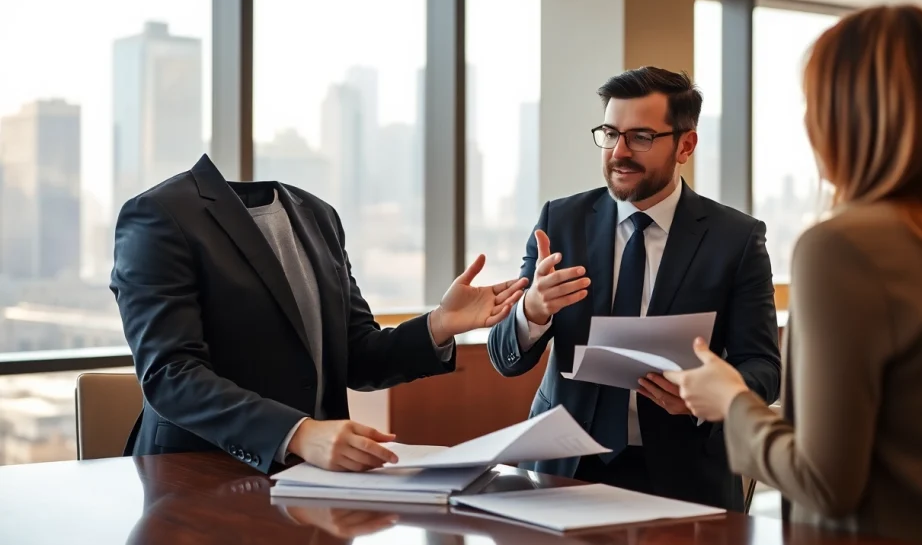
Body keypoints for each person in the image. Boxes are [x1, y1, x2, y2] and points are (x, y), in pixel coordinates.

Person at [665, 5, 922, 545]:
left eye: (814, 104)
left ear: (849, 115)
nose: (809, 125)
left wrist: (731, 402)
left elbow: (825, 482)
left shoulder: (842, 248)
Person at [111, 154, 527, 474]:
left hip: (313, 482)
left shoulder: (318, 215)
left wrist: (439, 324)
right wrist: (297, 433)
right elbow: (171, 374)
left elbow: (357, 355)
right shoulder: (159, 216)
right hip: (194, 478)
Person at [486, 67, 781, 510]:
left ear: (685, 145)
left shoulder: (735, 239)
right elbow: (504, 356)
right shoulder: (560, 222)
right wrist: (532, 311)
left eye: (640, 137)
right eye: (610, 133)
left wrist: (707, 395)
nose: (618, 152)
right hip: (562, 470)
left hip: (684, 477)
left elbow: (764, 369)